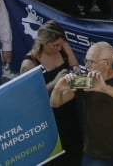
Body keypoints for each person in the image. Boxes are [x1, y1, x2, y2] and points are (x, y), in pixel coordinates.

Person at [50, 41, 113, 166]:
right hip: (94, 153)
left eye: (91, 62)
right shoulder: (86, 81)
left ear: (107, 63)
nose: (87, 65)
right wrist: (58, 88)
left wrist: (106, 88)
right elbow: (55, 103)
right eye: (86, 60)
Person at [19, 21, 81, 166]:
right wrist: (55, 83)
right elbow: (27, 98)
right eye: (55, 45)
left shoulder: (63, 49)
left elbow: (76, 68)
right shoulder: (30, 64)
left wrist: (77, 75)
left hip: (70, 109)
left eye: (61, 44)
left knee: (75, 149)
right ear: (43, 42)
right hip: (49, 116)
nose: (59, 48)